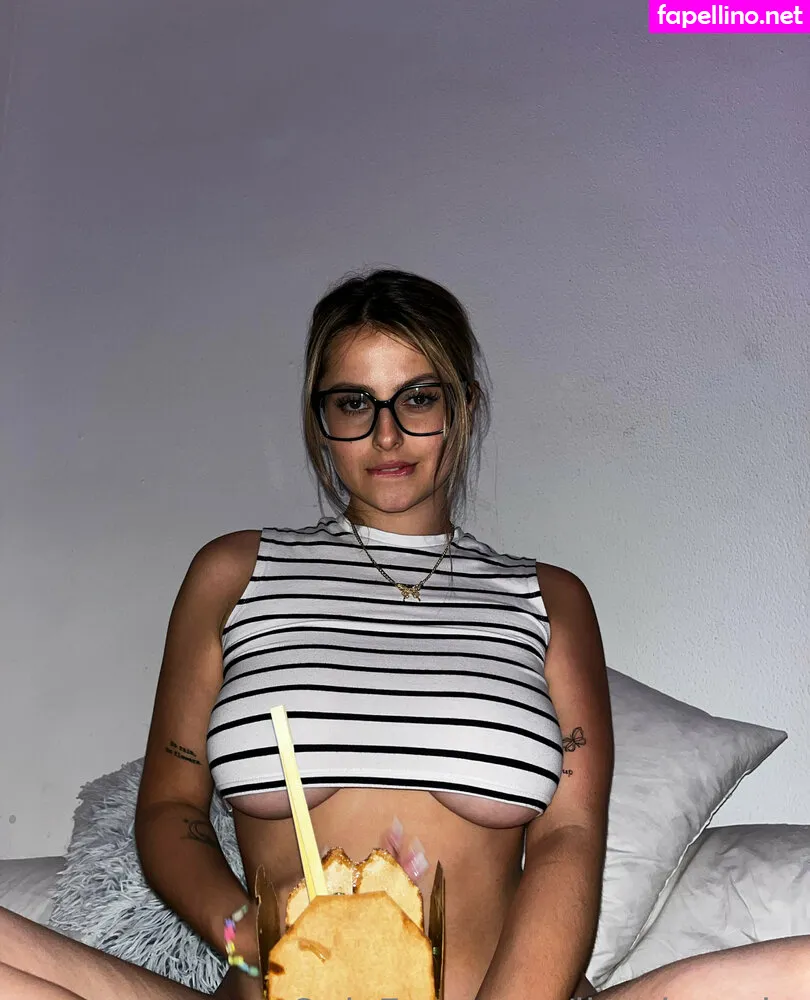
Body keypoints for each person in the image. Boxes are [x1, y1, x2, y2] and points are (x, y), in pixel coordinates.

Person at [1, 269, 808, 1000]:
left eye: (417, 399)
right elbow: (171, 809)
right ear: (321, 423)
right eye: (354, 403)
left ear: (463, 408)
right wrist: (250, 944)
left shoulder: (548, 599)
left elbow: (569, 837)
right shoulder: (233, 573)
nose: (386, 436)